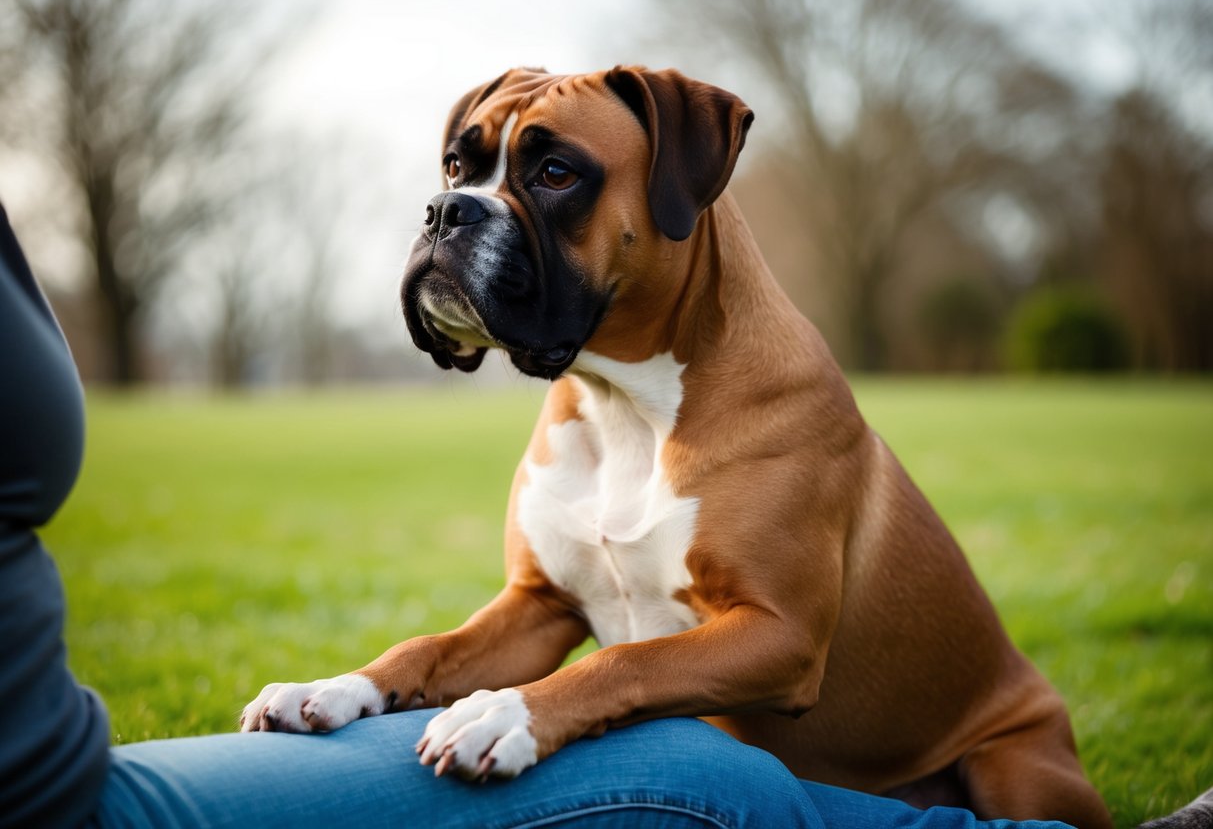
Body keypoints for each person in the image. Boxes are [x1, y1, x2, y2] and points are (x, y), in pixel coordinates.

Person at [0, 202, 1075, 828]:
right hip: (750, 747)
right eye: (461, 176)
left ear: (681, 189)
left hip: (978, 755)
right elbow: (537, 607)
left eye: (552, 177)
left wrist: (562, 702)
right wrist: (375, 684)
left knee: (721, 776)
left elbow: (785, 657)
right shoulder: (575, 415)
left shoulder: (782, 417)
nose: (462, 211)